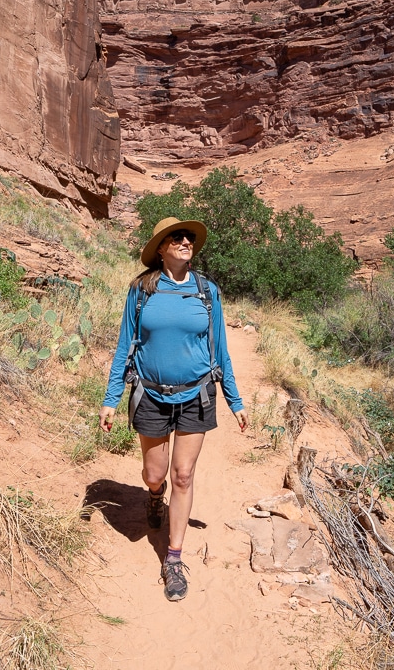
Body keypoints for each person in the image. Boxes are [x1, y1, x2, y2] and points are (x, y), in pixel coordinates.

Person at [100, 217, 248, 602]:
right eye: (176, 237)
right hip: (149, 393)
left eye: (189, 237)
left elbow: (221, 350)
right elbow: (124, 346)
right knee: (156, 473)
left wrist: (234, 399)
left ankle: (174, 558)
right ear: (161, 248)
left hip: (196, 395)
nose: (186, 242)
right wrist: (110, 397)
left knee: (184, 475)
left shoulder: (206, 291)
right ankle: (153, 496)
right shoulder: (142, 289)